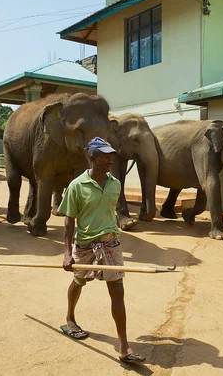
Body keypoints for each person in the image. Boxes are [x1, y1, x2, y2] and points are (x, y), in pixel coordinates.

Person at [59, 137, 145, 364]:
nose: (110, 159)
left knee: (117, 289)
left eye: (111, 156)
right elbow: (69, 223)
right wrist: (68, 253)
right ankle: (70, 318)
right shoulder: (77, 186)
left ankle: (124, 347)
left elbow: (111, 212)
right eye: (105, 156)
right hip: (85, 243)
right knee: (78, 282)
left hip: (110, 243)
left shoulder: (115, 184)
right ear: (92, 157)